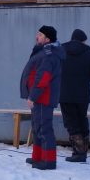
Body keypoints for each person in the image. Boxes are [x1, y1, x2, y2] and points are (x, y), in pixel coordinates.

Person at [20, 25, 65, 170]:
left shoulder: (48, 54)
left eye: (39, 34)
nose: (36, 37)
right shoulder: (42, 52)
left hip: (43, 98)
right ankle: (38, 157)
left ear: (47, 38)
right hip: (39, 97)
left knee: (44, 129)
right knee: (36, 128)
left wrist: (32, 96)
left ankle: (49, 161)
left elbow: (43, 78)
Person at [60, 29, 90, 163]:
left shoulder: (61, 49)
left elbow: (54, 68)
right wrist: (84, 79)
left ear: (72, 38)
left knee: (71, 122)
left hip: (65, 93)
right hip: (83, 94)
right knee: (82, 119)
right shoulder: (88, 51)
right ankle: (83, 152)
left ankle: (78, 152)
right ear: (83, 40)